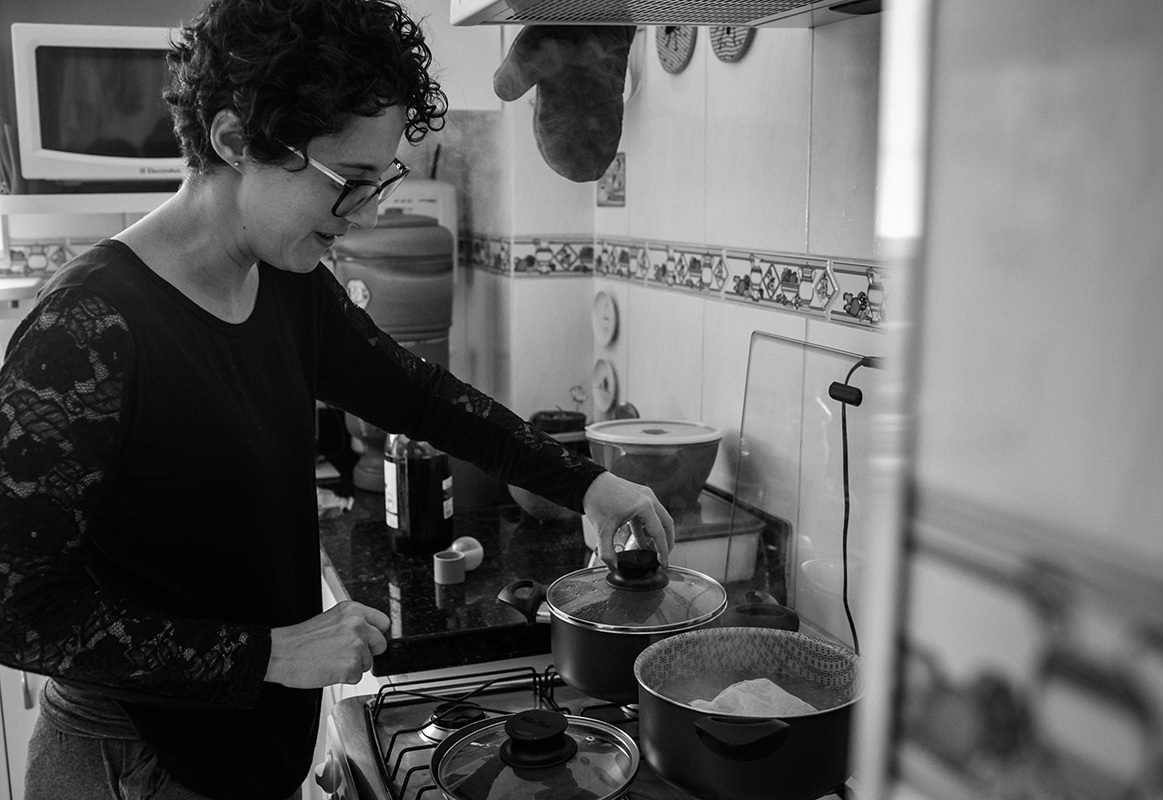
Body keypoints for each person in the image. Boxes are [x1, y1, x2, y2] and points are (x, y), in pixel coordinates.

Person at [0, 1, 674, 798]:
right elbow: (18, 609)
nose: (371, 211)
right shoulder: (88, 327)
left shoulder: (284, 283)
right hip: (132, 763)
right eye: (348, 181)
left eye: (380, 180)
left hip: (248, 750)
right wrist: (270, 654)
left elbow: (422, 398)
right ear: (232, 140)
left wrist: (587, 483)